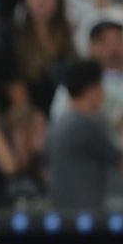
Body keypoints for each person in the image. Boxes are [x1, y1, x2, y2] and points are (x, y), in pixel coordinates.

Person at [47, 58, 123, 209]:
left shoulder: (59, 123)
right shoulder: (82, 125)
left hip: (66, 212)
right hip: (87, 216)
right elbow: (119, 161)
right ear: (91, 90)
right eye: (101, 86)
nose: (103, 92)